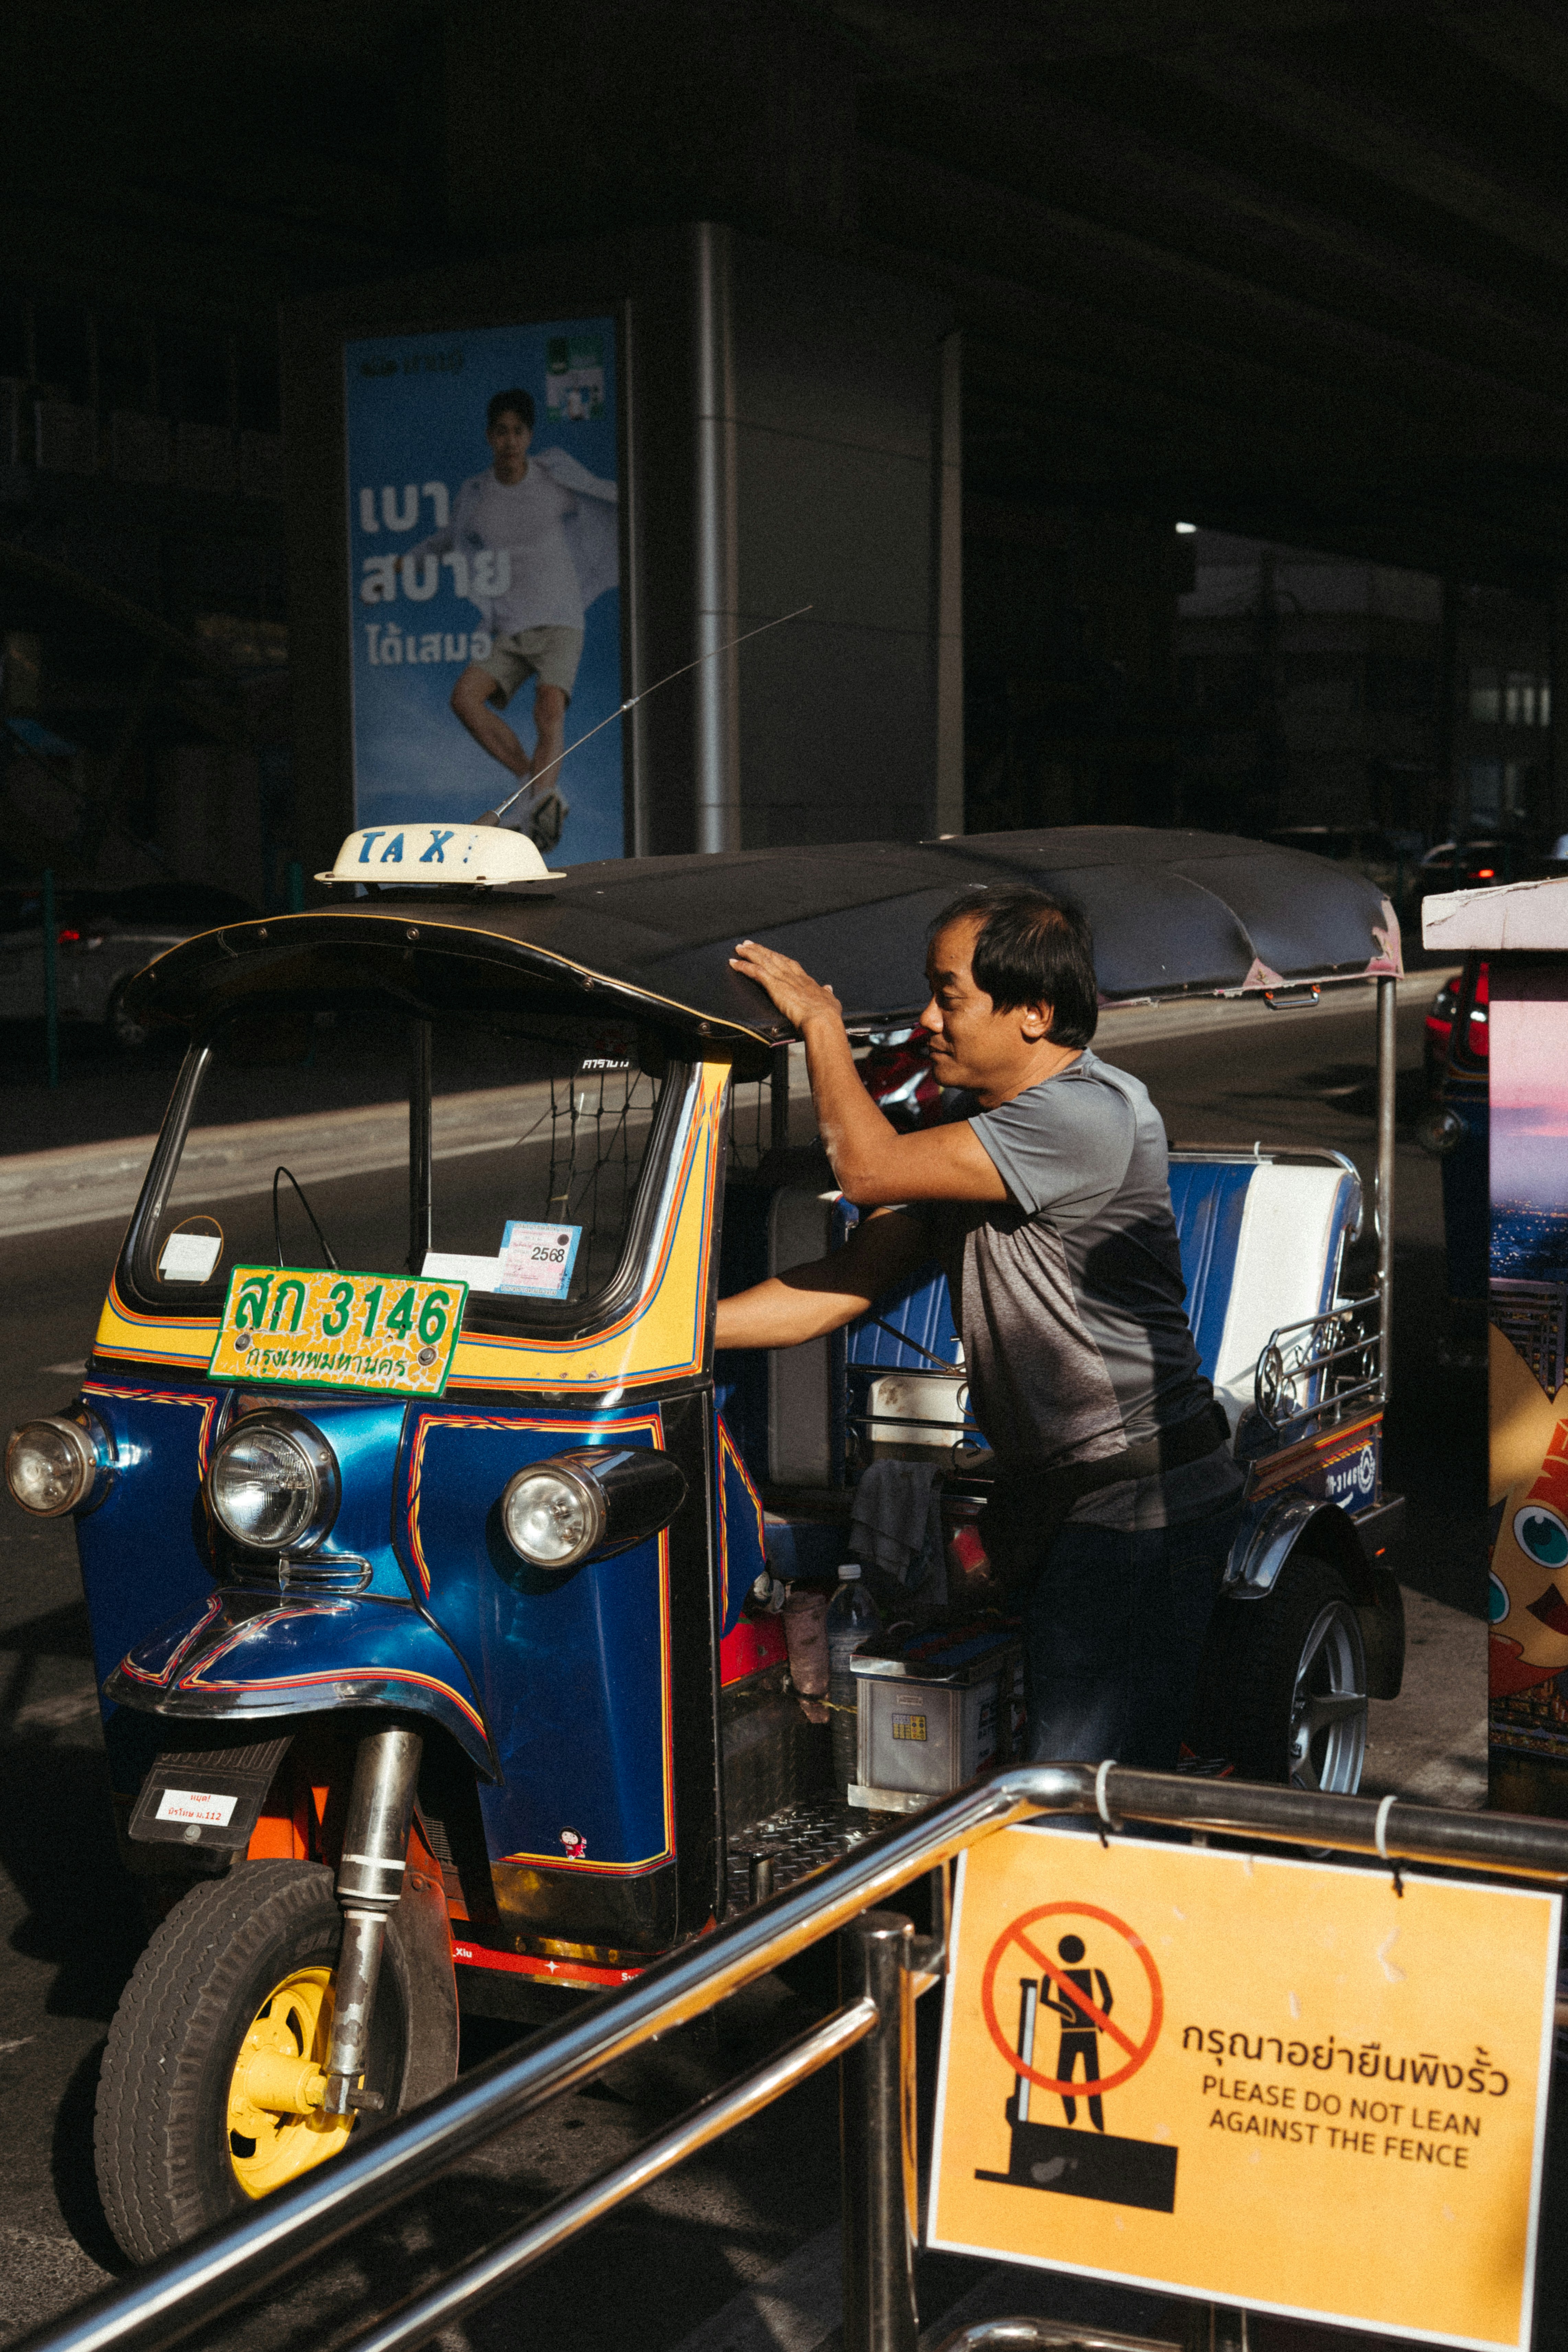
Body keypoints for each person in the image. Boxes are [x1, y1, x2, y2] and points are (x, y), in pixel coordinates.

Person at [712, 887, 1245, 1769]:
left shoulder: (1086, 1115)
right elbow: (846, 1284)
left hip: (1136, 1510)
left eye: (948, 996)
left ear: (1034, 1014)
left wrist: (821, 1024)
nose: (928, 1020)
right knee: (1038, 1766)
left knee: (1082, 1788)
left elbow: (869, 1168)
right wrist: (677, 1332)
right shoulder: (986, 1134)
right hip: (1067, 1501)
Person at [409, 388, 617, 851]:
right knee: (465, 698)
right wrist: (410, 561)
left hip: (562, 616)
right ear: (490, 437)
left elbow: (604, 499)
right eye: (501, 432)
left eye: (517, 432)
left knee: (548, 706)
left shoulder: (552, 477)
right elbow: (451, 537)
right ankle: (534, 784)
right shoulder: (477, 493)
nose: (509, 441)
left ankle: (541, 806)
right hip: (510, 625)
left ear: (529, 437)